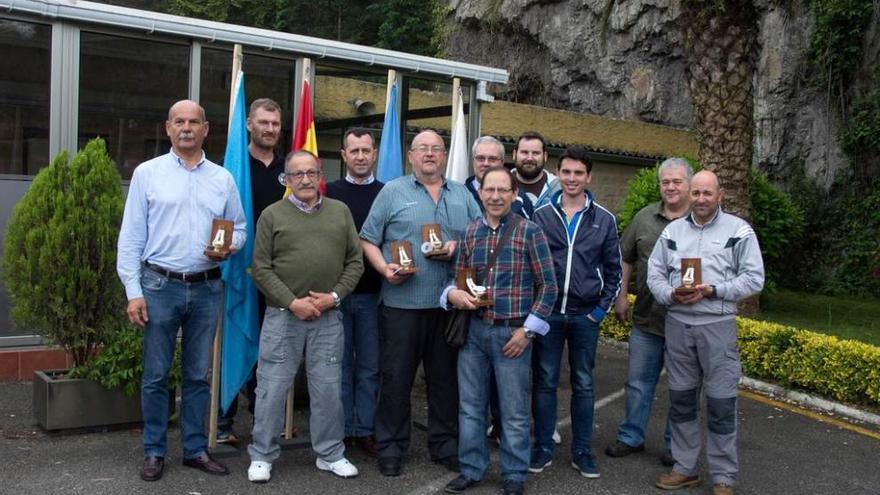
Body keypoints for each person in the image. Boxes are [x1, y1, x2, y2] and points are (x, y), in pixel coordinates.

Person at [117, 99, 246, 481]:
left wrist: (228, 247)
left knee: (198, 376)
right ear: (168, 127)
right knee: (156, 375)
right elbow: (130, 238)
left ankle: (194, 449)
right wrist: (133, 291)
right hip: (159, 286)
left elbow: (238, 228)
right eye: (179, 121)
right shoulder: (147, 173)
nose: (186, 127)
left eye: (194, 122)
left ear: (206, 129)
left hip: (207, 288)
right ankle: (154, 451)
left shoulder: (222, 178)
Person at [360, 129, 482, 477]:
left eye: (436, 149)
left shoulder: (463, 194)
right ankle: (391, 447)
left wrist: (457, 248)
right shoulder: (392, 191)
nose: (429, 154)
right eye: (422, 149)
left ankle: (444, 445)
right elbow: (367, 239)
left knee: (445, 381)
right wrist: (384, 268)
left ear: (444, 156)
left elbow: (479, 237)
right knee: (396, 380)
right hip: (401, 304)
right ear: (410, 156)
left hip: (449, 306)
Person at [247, 150, 364, 483]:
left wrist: (334, 296)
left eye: (311, 172)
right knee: (271, 387)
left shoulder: (340, 213)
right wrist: (292, 301)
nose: (305, 179)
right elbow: (261, 268)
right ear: (286, 179)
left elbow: (355, 262)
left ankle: (329, 453)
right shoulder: (272, 215)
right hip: (284, 316)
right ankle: (262, 455)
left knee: (328, 389)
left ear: (320, 175)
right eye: (296, 174)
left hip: (328, 317)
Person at [442, 167, 558, 495]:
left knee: (514, 410)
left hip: (513, 336)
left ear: (513, 194)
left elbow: (548, 286)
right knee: (470, 407)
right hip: (474, 333)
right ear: (480, 192)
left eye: (502, 191)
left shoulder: (530, 232)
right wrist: (453, 294)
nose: (495, 196)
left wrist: (528, 332)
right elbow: (455, 278)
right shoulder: (469, 233)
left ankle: (514, 473)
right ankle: (471, 468)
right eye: (489, 190)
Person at [647, 170, 764, 495]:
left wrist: (714, 290)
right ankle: (684, 469)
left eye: (706, 193)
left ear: (720, 194)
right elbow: (654, 272)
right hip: (679, 326)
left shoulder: (738, 231)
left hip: (717, 327)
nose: (700, 199)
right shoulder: (672, 231)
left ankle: (723, 476)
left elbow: (755, 279)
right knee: (682, 401)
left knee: (721, 404)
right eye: (695, 193)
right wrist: (670, 294)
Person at [530, 146, 622, 479]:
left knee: (583, 384)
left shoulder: (604, 219)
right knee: (545, 382)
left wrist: (599, 311)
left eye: (578, 173)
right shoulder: (541, 215)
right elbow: (531, 266)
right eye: (566, 172)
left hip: (586, 316)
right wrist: (536, 310)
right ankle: (542, 447)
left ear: (588, 177)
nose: (571, 179)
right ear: (559, 173)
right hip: (549, 315)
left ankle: (581, 451)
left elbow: (614, 271)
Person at [605, 157, 693, 466]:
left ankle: (674, 445)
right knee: (638, 383)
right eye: (665, 182)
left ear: (689, 185)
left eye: (676, 182)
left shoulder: (701, 222)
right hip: (646, 319)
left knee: (682, 388)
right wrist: (620, 296)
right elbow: (625, 257)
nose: (670, 187)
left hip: (688, 324)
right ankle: (631, 436)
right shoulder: (644, 218)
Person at [216, 97, 288, 445]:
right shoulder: (230, 166)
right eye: (264, 122)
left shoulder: (291, 169)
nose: (270, 129)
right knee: (235, 341)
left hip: (280, 274)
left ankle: (266, 422)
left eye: (275, 124)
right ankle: (222, 422)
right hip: (239, 270)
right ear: (248, 124)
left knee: (273, 351)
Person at [325, 128, 384, 457]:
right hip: (337, 295)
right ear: (343, 155)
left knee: (370, 366)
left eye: (366, 150)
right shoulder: (328, 193)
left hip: (376, 294)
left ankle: (365, 429)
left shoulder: (387, 192)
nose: (360, 156)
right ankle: (342, 428)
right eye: (354, 151)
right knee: (339, 365)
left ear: (374, 153)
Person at [464, 135, 533, 219]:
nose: (486, 163)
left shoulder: (519, 199)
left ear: (502, 163)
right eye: (480, 158)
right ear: (473, 161)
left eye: (492, 159)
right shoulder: (460, 195)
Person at [512, 131, 559, 210]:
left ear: (545, 156)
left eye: (536, 153)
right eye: (524, 152)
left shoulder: (558, 189)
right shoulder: (500, 184)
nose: (530, 158)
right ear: (514, 154)